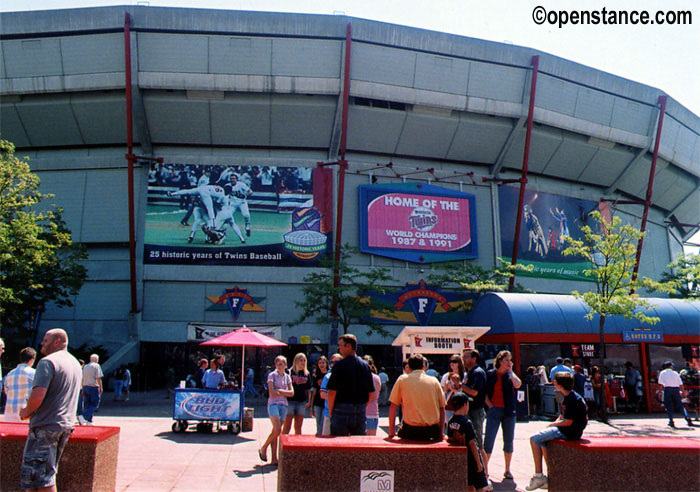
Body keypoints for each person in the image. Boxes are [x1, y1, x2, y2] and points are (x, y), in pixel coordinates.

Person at [19, 328, 82, 492]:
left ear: (57, 342)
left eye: (46, 340)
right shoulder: (75, 363)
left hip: (46, 424)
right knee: (43, 474)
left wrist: (25, 412)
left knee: (41, 478)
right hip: (65, 424)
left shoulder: (48, 362)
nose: (42, 343)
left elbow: (38, 395)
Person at [526, 371, 588, 490]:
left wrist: (552, 425)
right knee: (543, 441)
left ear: (560, 385)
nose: (553, 383)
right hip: (569, 430)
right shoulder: (570, 396)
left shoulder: (571, 399)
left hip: (568, 432)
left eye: (555, 382)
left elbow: (568, 421)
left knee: (534, 439)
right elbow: (562, 416)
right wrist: (556, 422)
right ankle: (551, 475)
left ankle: (539, 476)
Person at [388, 354, 446, 441]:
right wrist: (440, 433)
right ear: (423, 366)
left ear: (409, 366)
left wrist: (391, 432)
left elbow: (393, 407)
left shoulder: (402, 379)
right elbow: (442, 408)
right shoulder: (434, 381)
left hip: (410, 430)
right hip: (431, 431)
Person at [484, 350, 522, 481]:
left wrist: (511, 372)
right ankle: (485, 469)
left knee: (508, 440)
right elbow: (484, 392)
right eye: (507, 360)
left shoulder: (509, 376)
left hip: (508, 411)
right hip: (494, 410)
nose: (509, 362)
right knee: (489, 439)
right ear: (500, 361)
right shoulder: (490, 374)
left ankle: (507, 469)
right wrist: (490, 405)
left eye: (510, 360)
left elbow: (518, 384)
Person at [326, 334, 375, 436]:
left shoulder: (338, 366)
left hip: (340, 411)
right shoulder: (365, 366)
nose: (338, 348)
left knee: (340, 446)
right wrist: (362, 406)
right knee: (358, 447)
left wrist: (331, 413)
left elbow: (331, 392)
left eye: (340, 345)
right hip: (360, 410)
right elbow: (371, 392)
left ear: (348, 346)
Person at [447, 392, 489, 492]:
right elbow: (472, 443)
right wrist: (479, 463)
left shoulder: (451, 421)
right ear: (465, 405)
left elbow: (450, 439)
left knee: (469, 484)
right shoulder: (466, 422)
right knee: (479, 486)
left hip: (462, 459)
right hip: (472, 459)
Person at [461, 348, 489, 484]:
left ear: (474, 358)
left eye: (466, 357)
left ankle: (485, 474)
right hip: (469, 410)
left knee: (478, 441)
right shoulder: (469, 373)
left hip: (476, 411)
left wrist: (459, 385)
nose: (463, 360)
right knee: (472, 440)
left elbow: (474, 392)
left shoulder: (478, 373)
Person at [259, 355, 293, 465]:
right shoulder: (272, 375)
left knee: (275, 432)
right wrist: (283, 391)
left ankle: (274, 458)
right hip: (273, 404)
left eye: (281, 364)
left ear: (285, 365)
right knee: (277, 430)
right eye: (278, 364)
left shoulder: (287, 377)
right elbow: (272, 391)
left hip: (284, 405)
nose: (279, 366)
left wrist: (280, 391)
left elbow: (291, 392)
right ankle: (264, 447)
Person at [3, 347, 37, 422]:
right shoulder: (35, 373)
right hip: (25, 414)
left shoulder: (10, 374)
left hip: (9, 413)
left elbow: (6, 391)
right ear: (32, 360)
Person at [658, 361, 694, 429]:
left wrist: (660, 392)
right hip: (676, 389)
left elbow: (660, 384)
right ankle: (687, 418)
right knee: (680, 405)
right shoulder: (675, 373)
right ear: (670, 366)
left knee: (668, 405)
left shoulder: (662, 373)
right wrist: (683, 392)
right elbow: (680, 383)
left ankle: (671, 421)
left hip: (667, 389)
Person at [282, 353, 312, 435]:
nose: (302, 362)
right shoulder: (289, 372)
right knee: (287, 427)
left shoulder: (307, 374)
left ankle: (297, 446)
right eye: (301, 360)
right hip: (290, 401)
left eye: (304, 360)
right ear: (296, 361)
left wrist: (309, 401)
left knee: (298, 427)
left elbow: (308, 389)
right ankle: (282, 447)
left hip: (301, 402)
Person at [320, 354, 342, 436]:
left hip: (343, 413)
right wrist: (337, 397)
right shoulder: (328, 377)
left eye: (337, 362)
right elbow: (322, 394)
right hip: (329, 414)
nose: (334, 364)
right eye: (332, 362)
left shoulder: (347, 376)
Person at [441, 354, 466, 427]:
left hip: (461, 407)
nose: (451, 363)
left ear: (459, 363)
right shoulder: (446, 376)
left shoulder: (464, 376)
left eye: (454, 361)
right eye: (450, 361)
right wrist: (446, 387)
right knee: (450, 428)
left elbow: (463, 394)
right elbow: (442, 393)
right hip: (449, 406)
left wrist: (452, 388)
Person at [310, 356, 329, 436]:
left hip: (326, 403)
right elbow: (314, 393)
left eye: (323, 362)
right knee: (318, 423)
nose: (321, 364)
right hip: (317, 403)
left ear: (326, 364)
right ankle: (318, 436)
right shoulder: (315, 376)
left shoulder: (329, 375)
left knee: (323, 423)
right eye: (320, 363)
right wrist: (311, 407)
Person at [363, 355, 382, 436]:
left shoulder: (375, 378)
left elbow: (373, 396)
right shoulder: (358, 377)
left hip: (371, 413)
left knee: (370, 440)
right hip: (359, 414)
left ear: (371, 366)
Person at [81, 354, 103, 425]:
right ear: (97, 360)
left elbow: (82, 378)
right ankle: (83, 416)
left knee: (88, 404)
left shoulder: (85, 366)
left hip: (85, 386)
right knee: (95, 404)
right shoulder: (97, 366)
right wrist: (101, 387)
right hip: (93, 387)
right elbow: (98, 378)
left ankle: (89, 421)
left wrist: (82, 388)